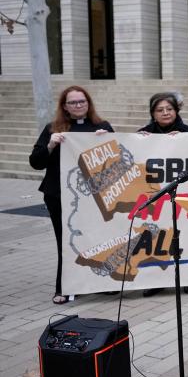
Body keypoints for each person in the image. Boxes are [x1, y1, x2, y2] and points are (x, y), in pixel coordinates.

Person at [30, 86, 114, 304]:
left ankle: (101, 283)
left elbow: (116, 157)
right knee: (65, 242)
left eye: (82, 102)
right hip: (59, 195)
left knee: (97, 239)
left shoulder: (102, 126)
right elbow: (35, 162)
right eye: (73, 102)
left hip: (93, 197)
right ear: (65, 106)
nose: (78, 106)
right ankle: (64, 287)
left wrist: (105, 141)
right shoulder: (53, 128)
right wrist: (50, 144)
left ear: (88, 103)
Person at [138, 93, 188, 296]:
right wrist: (140, 142)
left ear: (176, 111)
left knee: (185, 236)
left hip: (184, 195)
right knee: (158, 237)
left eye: (169, 109)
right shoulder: (143, 134)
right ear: (153, 114)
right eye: (160, 110)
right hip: (157, 197)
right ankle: (156, 280)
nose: (165, 113)